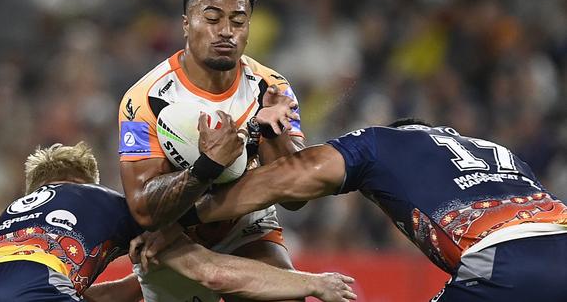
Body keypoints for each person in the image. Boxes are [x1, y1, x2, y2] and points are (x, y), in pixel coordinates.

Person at [145, 118, 567, 301]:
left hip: (504, 261)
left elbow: (290, 176)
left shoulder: (384, 142)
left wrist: (184, 217)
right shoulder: (501, 154)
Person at [0, 142, 357, 302]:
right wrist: (311, 282)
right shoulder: (110, 203)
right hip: (37, 284)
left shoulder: (12, 214)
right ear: (84, 181)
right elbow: (210, 273)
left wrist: (133, 286)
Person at [117, 0, 306, 302]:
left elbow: (296, 199)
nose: (226, 32)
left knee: (286, 296)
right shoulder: (143, 99)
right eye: (213, 18)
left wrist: (272, 132)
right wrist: (208, 166)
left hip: (246, 228)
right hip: (174, 239)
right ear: (186, 24)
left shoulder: (272, 89)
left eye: (238, 21)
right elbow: (145, 210)